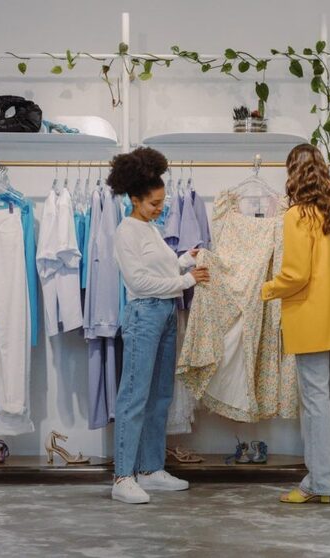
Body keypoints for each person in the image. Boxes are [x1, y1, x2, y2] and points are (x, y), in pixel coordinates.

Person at [108, 147, 210, 505]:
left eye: (162, 202)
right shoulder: (126, 232)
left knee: (160, 396)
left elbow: (161, 271)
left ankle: (151, 469)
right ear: (134, 199)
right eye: (153, 203)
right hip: (144, 315)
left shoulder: (150, 229)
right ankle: (123, 476)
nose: (160, 208)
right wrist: (187, 281)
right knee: (134, 396)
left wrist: (185, 260)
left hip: (165, 314)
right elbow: (139, 282)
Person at [261, 143, 330, 504]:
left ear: (294, 175)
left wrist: (267, 288)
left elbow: (296, 275)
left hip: (309, 321)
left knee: (315, 403)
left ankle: (319, 483)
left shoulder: (297, 215)